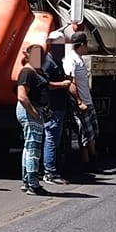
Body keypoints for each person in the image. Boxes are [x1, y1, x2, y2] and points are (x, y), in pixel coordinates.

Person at [15, 43, 53, 196]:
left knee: (29, 146)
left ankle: (27, 181)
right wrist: (34, 112)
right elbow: (22, 95)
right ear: (28, 55)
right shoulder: (27, 72)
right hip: (30, 111)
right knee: (33, 148)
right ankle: (33, 183)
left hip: (35, 110)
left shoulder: (37, 72)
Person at [40, 30, 75, 186]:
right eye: (58, 46)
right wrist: (63, 84)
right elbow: (44, 84)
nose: (61, 49)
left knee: (55, 139)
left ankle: (51, 170)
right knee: (51, 139)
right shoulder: (48, 62)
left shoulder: (57, 61)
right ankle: (50, 173)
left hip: (59, 106)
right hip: (52, 107)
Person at [67, 31, 96, 164]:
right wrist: (79, 102)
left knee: (91, 133)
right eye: (86, 44)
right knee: (85, 133)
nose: (87, 47)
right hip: (81, 103)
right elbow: (71, 84)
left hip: (87, 100)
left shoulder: (79, 58)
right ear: (82, 45)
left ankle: (90, 159)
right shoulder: (71, 59)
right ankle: (89, 161)